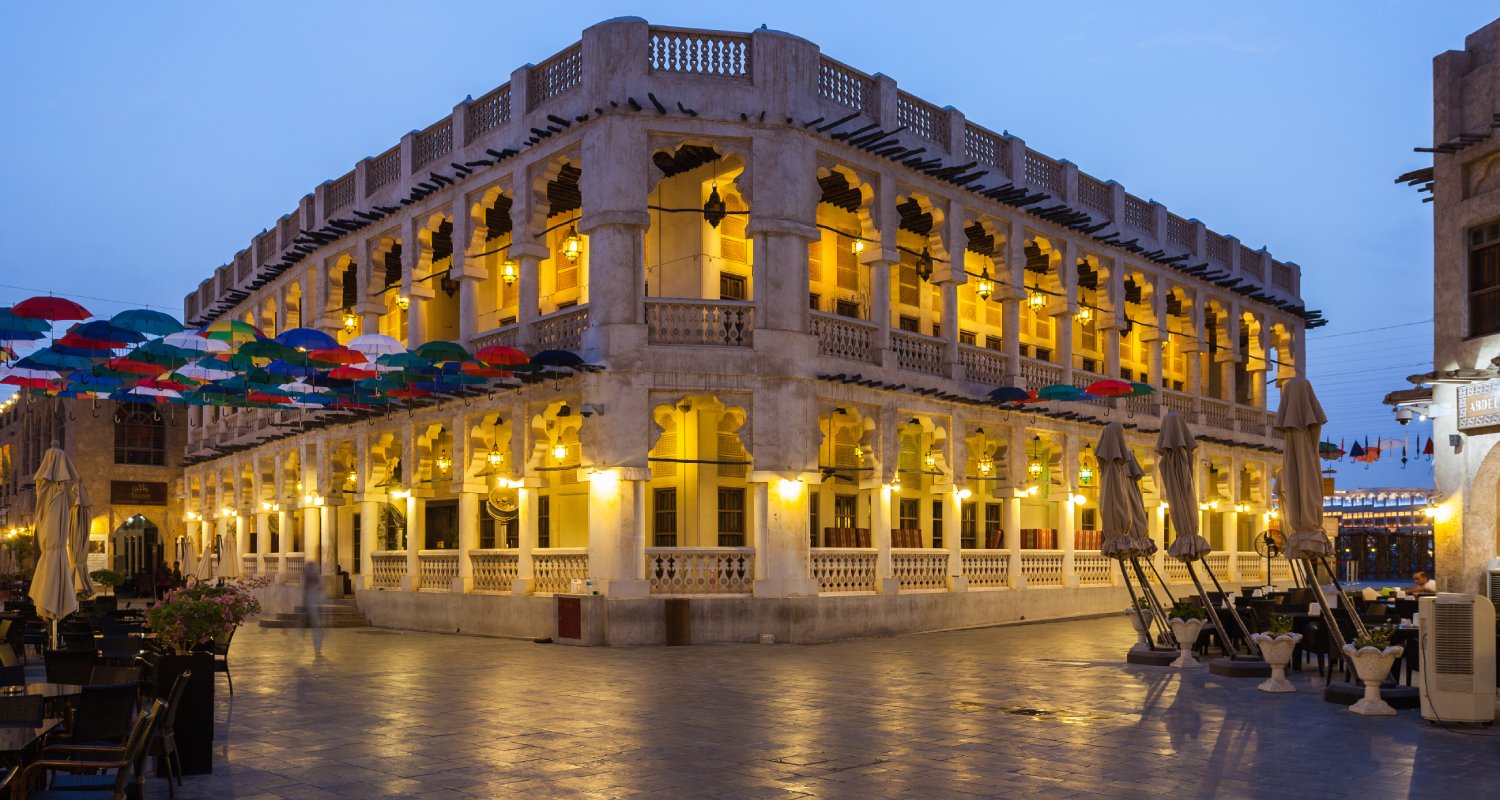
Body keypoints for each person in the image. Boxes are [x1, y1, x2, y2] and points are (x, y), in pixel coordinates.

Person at [302, 559, 324, 656]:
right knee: (316, 626)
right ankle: (317, 647)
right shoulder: (310, 584)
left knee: (317, 627)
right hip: (312, 606)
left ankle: (317, 647)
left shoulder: (315, 581)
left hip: (315, 606)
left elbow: (321, 591)